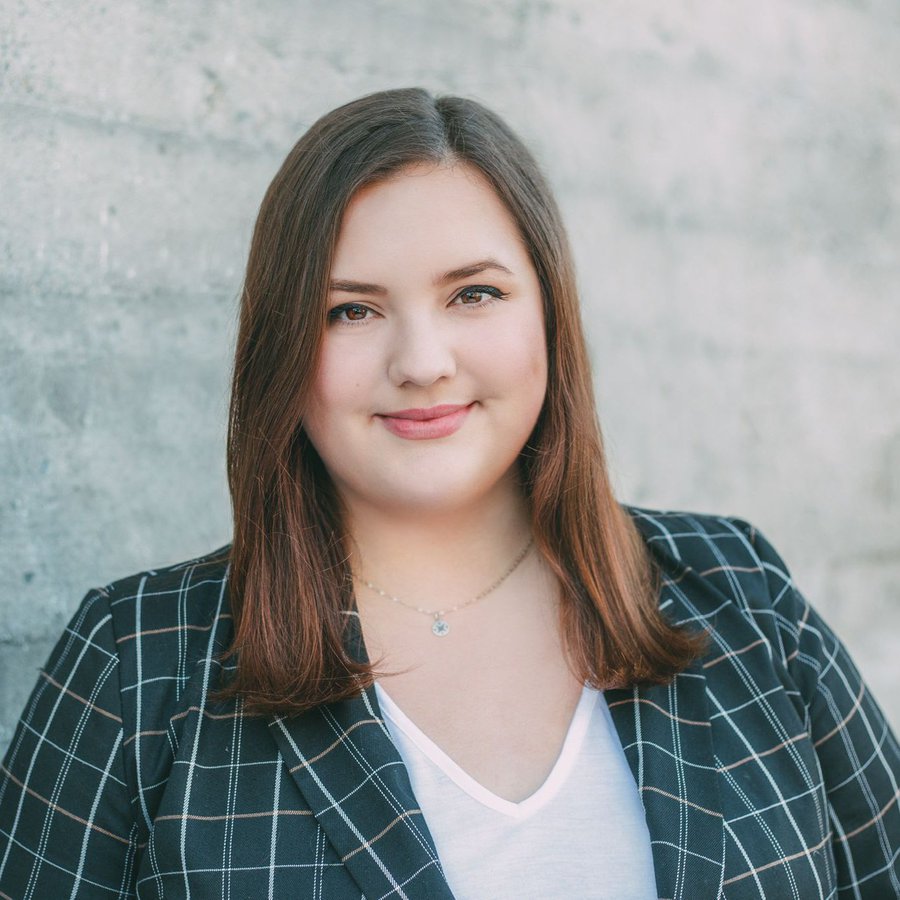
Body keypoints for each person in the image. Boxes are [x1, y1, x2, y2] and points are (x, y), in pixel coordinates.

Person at [0, 88, 897, 900]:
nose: (423, 362)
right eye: (350, 309)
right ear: (282, 345)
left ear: (549, 314)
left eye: (474, 293)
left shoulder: (742, 596)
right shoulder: (138, 664)